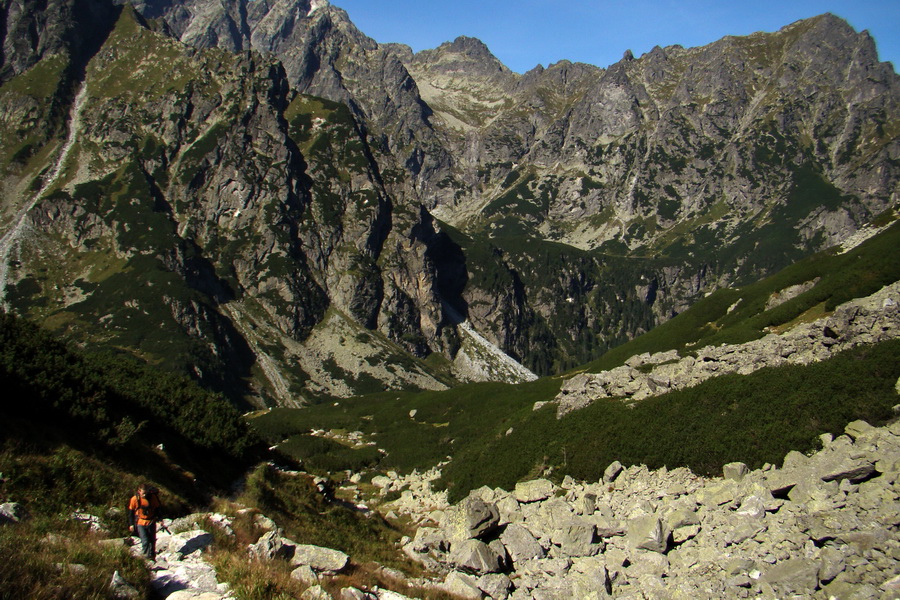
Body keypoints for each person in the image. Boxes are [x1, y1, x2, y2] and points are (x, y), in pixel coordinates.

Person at [128, 484, 161, 561]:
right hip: (140, 522)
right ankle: (146, 557)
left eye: (146, 493)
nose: (145, 495)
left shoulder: (152, 498)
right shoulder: (134, 499)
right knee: (145, 540)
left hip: (151, 521)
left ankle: (152, 556)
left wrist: (160, 518)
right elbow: (130, 512)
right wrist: (131, 524)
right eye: (143, 493)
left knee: (152, 540)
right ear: (139, 491)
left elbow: (158, 508)